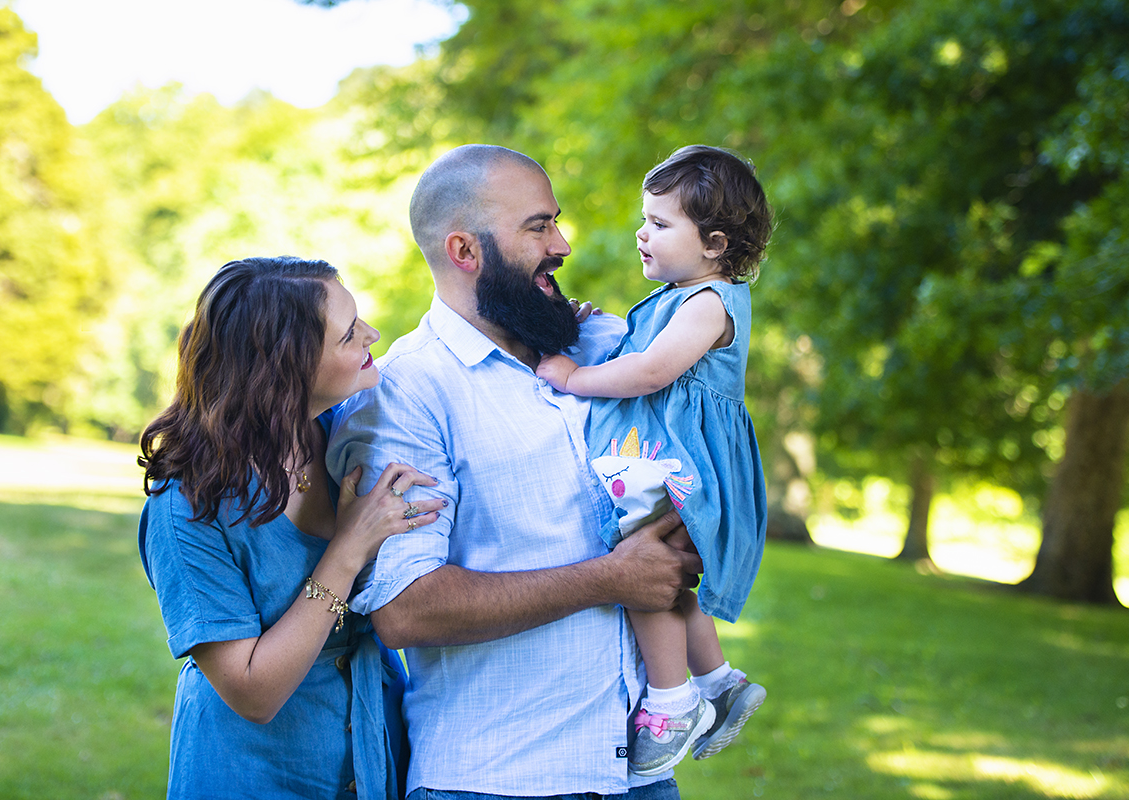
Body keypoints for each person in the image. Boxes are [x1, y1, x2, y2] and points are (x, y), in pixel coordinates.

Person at [326, 145, 702, 800]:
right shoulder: (407, 393)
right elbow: (404, 608)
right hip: (496, 780)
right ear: (465, 251)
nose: (561, 244)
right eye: (537, 227)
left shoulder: (608, 349)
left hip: (639, 777)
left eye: (555, 221)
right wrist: (610, 579)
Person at [138, 256, 445, 800]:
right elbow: (253, 692)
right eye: (349, 334)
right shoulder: (186, 505)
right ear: (285, 368)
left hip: (378, 761)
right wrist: (347, 551)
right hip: (252, 775)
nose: (373, 335)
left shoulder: (348, 434)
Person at [537, 145, 772, 775]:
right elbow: (637, 344)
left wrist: (571, 375)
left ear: (716, 244)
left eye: (661, 225)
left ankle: (673, 704)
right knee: (658, 566)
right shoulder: (680, 295)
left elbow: (648, 371)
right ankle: (719, 682)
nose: (642, 234)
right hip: (668, 456)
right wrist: (579, 324)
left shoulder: (709, 302)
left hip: (687, 462)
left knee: (638, 565)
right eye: (645, 219)